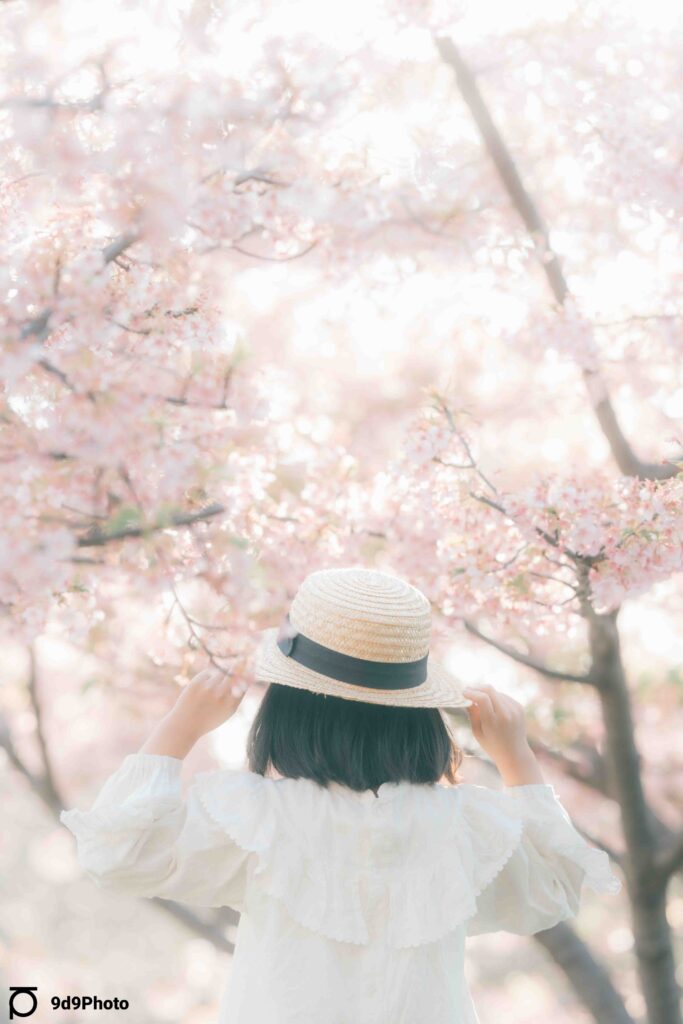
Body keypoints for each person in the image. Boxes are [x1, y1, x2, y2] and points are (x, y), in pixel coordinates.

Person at [60, 567, 621, 1024]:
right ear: (420, 716)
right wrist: (517, 758)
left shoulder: (258, 817)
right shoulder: (463, 824)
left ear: (288, 709)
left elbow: (117, 856)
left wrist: (179, 730)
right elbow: (555, 888)